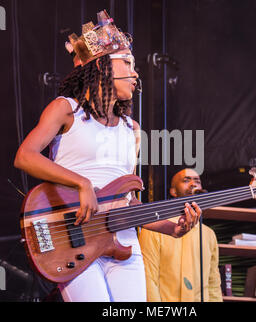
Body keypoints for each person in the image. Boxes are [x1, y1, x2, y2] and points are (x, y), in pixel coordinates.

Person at [14, 10, 201, 302]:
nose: (135, 72)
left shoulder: (132, 129)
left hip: (123, 244)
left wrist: (173, 228)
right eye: (127, 62)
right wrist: (81, 184)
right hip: (73, 239)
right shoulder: (66, 110)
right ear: (101, 67)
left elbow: (128, 202)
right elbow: (25, 156)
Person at [139, 168, 223, 302]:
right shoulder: (156, 228)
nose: (193, 184)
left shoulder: (208, 234)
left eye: (197, 181)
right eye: (186, 180)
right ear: (173, 191)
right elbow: (148, 278)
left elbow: (213, 282)